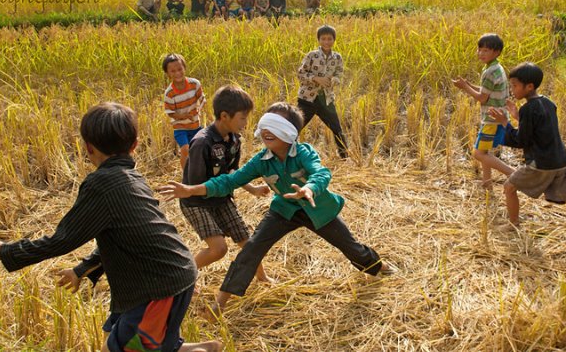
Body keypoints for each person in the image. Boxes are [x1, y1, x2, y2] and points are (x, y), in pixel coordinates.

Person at [0, 102, 222, 352]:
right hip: (168, 277)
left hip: (159, 287)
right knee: (119, 339)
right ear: (135, 145)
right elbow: (123, 237)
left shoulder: (102, 184)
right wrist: (81, 269)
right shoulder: (132, 178)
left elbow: (63, 240)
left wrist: (5, 251)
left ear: (87, 147)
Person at [159, 103, 395, 316]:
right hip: (284, 210)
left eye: (276, 125)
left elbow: (321, 172)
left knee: (350, 246)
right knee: (251, 248)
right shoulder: (262, 160)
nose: (266, 131)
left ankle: (377, 266)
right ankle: (219, 305)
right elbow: (228, 181)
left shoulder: (303, 152)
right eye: (265, 125)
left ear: (291, 132)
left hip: (317, 209)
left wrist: (310, 188)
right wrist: (192, 190)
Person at [489, 63, 566, 258]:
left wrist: (505, 123)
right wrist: (517, 116)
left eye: (514, 86)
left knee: (509, 187)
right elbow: (539, 128)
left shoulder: (528, 110)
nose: (512, 90)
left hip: (541, 164)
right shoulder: (548, 103)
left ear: (529, 86)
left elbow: (521, 140)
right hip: (560, 161)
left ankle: (513, 223)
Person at [179, 85, 272, 283]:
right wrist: (220, 189)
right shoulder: (202, 143)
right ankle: (184, 275)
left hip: (220, 196)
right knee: (219, 249)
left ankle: (263, 278)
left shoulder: (234, 140)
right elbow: (195, 185)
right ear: (224, 116)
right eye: (242, 118)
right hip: (196, 201)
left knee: (248, 242)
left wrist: (252, 189)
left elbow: (232, 172)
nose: (246, 123)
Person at [452, 33, 514, 189]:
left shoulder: (490, 72)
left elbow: (482, 98)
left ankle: (512, 172)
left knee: (479, 154)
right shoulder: (495, 68)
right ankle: (487, 184)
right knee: (486, 152)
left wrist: (465, 87)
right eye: (479, 49)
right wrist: (469, 84)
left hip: (491, 119)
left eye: (486, 50)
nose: (481, 53)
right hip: (497, 116)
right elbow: (487, 91)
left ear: (497, 52)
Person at [297, 25, 348, 158]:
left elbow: (339, 73)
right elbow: (300, 74)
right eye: (323, 39)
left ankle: (345, 158)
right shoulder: (312, 55)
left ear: (334, 40)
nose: (326, 42)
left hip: (326, 100)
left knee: (337, 129)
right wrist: (316, 79)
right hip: (308, 99)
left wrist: (335, 80)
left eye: (330, 39)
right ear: (319, 40)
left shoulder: (337, 57)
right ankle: (285, 155)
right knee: (295, 128)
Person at [163, 54, 206, 169]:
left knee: (201, 149)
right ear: (168, 74)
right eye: (172, 71)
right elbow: (170, 112)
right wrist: (184, 116)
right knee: (185, 149)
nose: (177, 73)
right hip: (180, 128)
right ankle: (185, 176)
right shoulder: (169, 93)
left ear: (184, 68)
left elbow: (202, 100)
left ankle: (199, 172)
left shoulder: (195, 84)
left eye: (179, 69)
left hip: (196, 125)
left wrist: (199, 109)